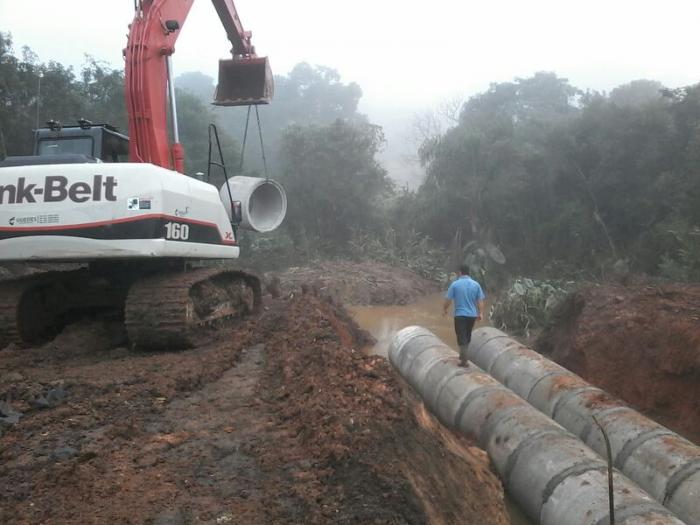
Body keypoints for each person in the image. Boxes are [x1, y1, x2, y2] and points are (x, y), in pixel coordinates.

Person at [442, 264, 486, 367]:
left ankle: (464, 361)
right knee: (467, 336)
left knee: (461, 337)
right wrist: (480, 313)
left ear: (460, 272)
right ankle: (463, 356)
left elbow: (448, 300)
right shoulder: (476, 285)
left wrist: (445, 309)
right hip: (472, 316)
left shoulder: (455, 285)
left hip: (460, 315)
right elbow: (480, 301)